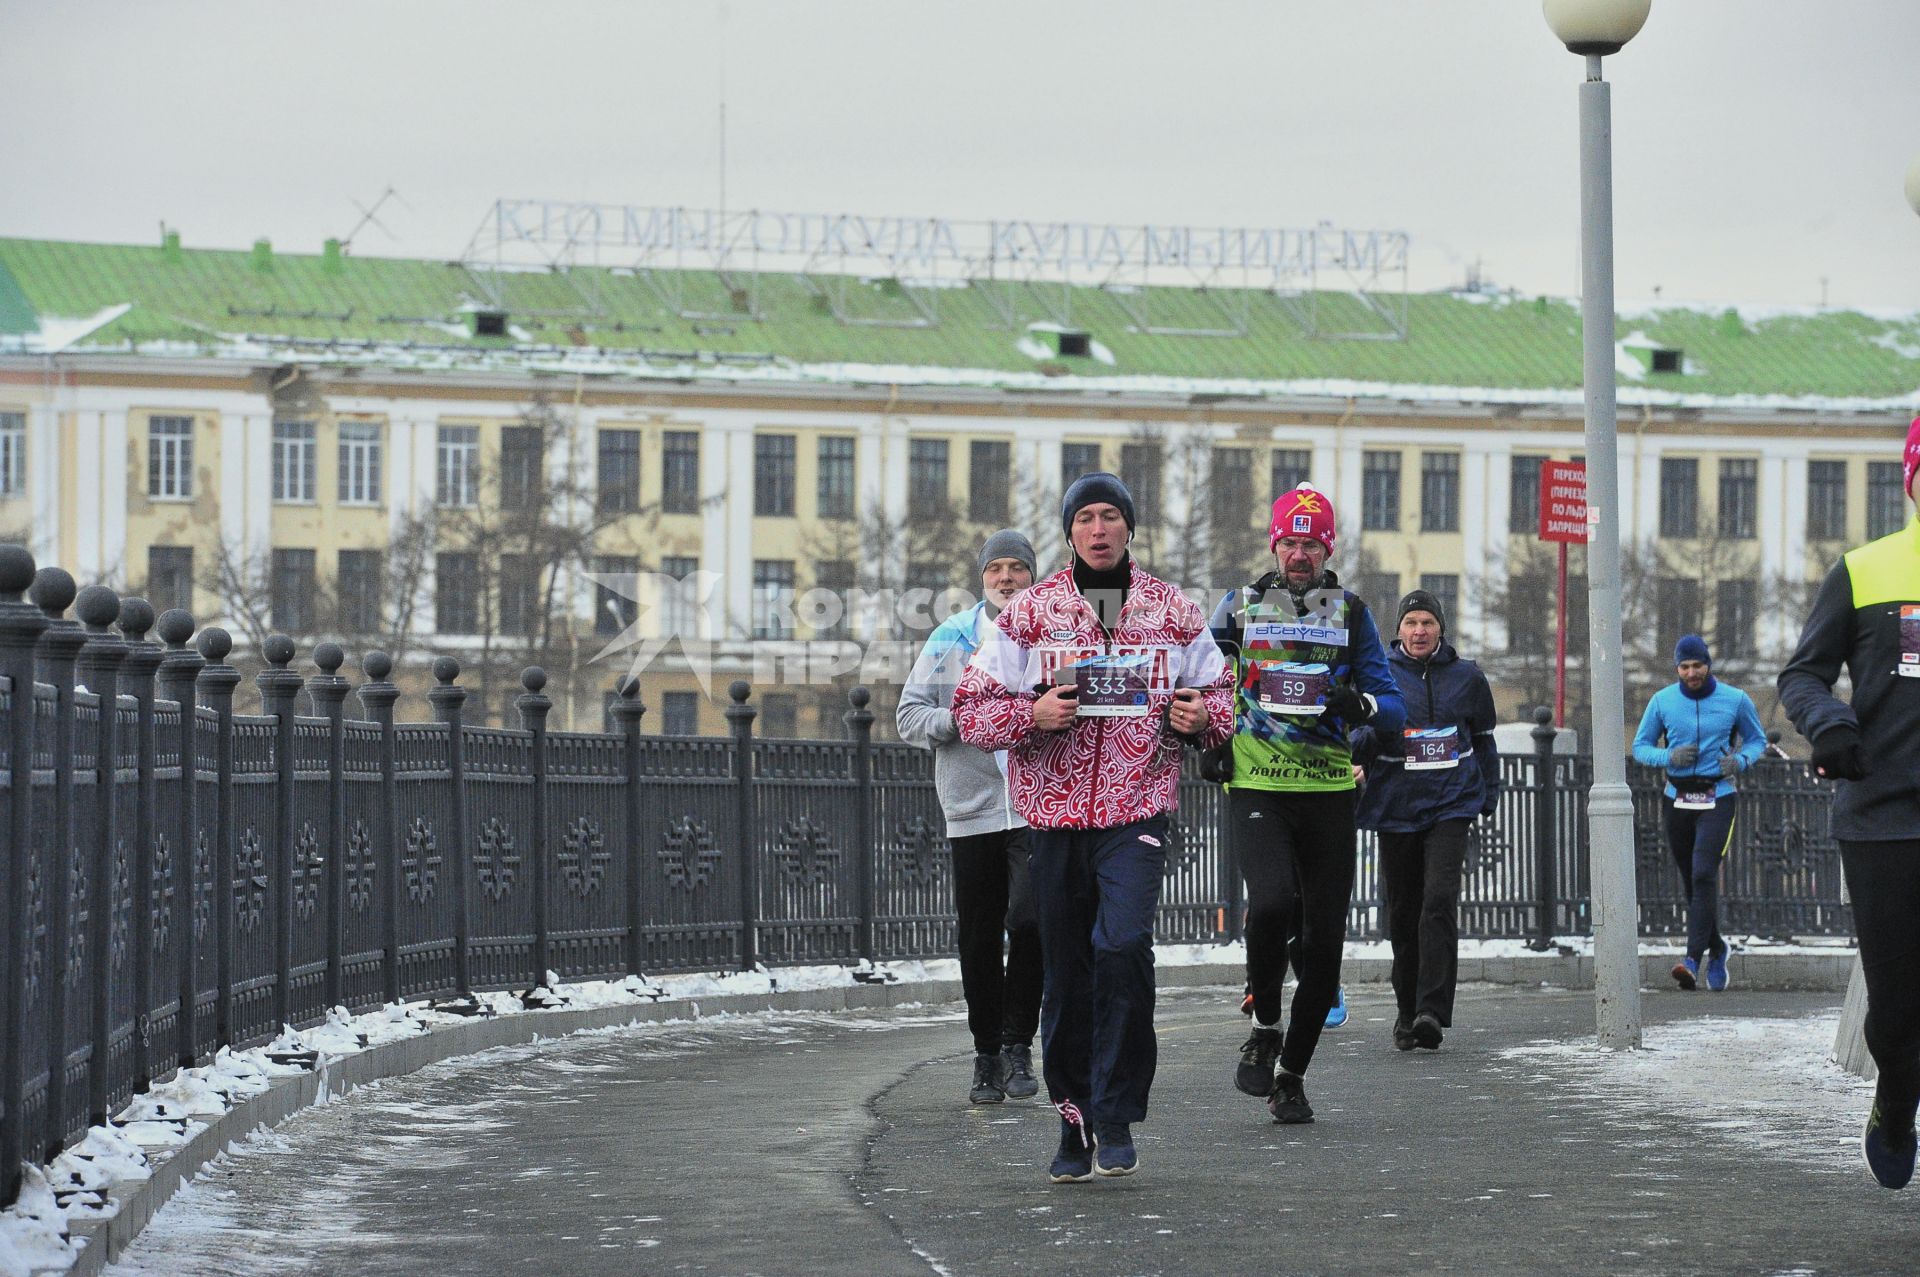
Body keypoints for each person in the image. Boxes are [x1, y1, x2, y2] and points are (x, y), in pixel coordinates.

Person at [953, 472, 1233, 1183]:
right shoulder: (1031, 612)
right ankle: (1073, 1119)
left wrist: (1203, 719)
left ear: (1129, 528)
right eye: (1086, 518)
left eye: (1112, 515)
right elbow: (971, 706)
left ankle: (1116, 1111)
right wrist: (1032, 715)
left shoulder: (1171, 609)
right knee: (1068, 969)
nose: (1099, 528)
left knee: (1125, 945)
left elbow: (1226, 694)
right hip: (1052, 819)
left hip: (1136, 809)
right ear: (1071, 531)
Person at [1207, 483, 1404, 1123]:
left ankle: (1291, 1075)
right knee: (1269, 905)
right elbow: (1197, 679)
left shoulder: (1350, 613)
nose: (1299, 554)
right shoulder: (1239, 607)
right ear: (1274, 545)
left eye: (1310, 543)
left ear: (1327, 549)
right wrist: (1208, 738)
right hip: (1259, 781)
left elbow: (1392, 705)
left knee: (1322, 944)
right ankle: (1264, 1023)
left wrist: (1362, 708)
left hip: (1327, 790)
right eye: (1289, 542)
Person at [1779, 415, 1920, 1191]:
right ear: (1911, 477)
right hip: (1884, 815)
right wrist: (1829, 723)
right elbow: (1802, 673)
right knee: (1897, 1008)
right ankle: (1896, 1098)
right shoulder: (1866, 570)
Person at [897, 529, 1044, 1106]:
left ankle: (1018, 1046)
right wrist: (965, 720)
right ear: (983, 577)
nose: (1006, 577)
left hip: (1038, 805)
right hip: (973, 811)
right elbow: (910, 716)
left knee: (1031, 923)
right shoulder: (951, 638)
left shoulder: (1053, 633)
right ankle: (986, 1055)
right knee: (980, 935)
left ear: (1033, 575)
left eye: (1017, 568)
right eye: (996, 568)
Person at [1349, 589, 1499, 1052]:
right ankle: (1406, 1009)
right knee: (1404, 911)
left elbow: (1485, 738)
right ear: (1398, 631)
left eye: (1427, 623)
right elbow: (1359, 734)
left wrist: (1488, 795)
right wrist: (1364, 738)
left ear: (1440, 630)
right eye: (1411, 623)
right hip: (1397, 807)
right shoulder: (1382, 675)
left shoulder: (1468, 677)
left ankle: (1432, 1011)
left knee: (1438, 900)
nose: (1419, 631)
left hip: (1452, 804)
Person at [1631, 634, 1766, 992]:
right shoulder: (1662, 701)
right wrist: (1667, 757)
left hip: (1718, 796)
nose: (1692, 673)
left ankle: (1692, 959)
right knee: (1692, 882)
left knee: (1704, 872)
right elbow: (1640, 747)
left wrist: (1740, 761)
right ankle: (1718, 948)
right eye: (1685, 666)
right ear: (1677, 668)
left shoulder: (1735, 700)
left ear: (1708, 665)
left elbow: (1758, 741)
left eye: (1698, 665)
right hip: (1677, 798)